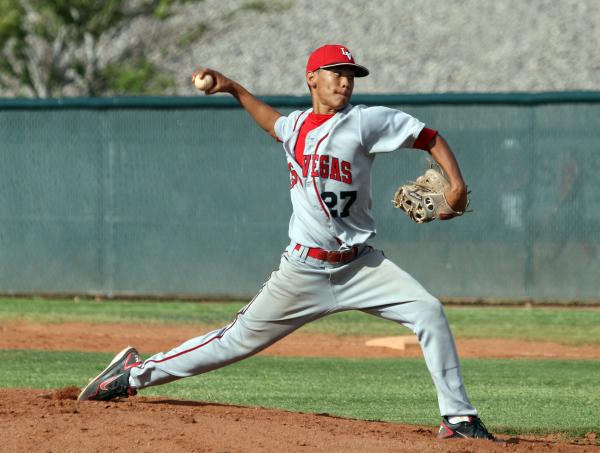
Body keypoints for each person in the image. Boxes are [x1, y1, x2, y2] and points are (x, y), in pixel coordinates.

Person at [79, 44, 495, 441]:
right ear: (312, 78)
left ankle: (458, 416)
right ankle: (132, 374)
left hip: (360, 266)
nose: (345, 82)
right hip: (303, 271)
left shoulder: (367, 121)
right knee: (234, 341)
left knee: (429, 312)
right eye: (336, 72)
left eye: (351, 75)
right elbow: (272, 123)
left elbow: (429, 137)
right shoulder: (295, 126)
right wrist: (235, 89)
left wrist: (456, 184)